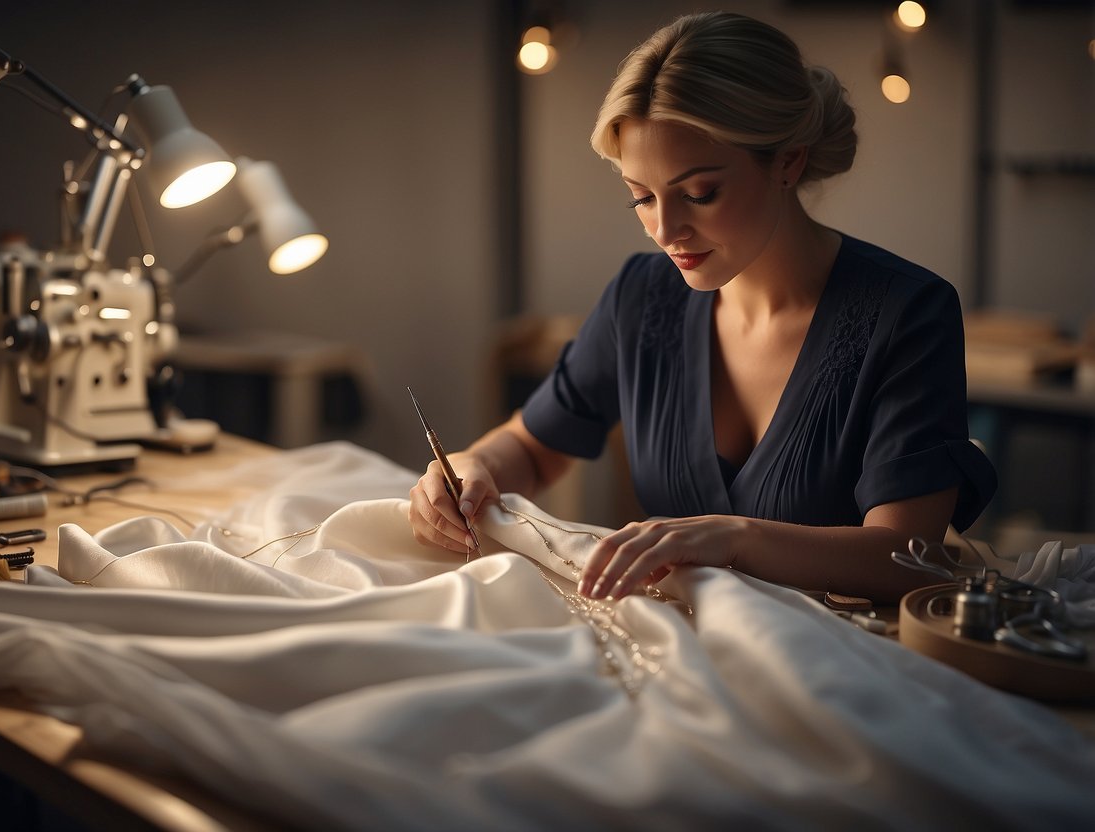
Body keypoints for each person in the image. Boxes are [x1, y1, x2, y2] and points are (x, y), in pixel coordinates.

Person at [408, 11, 996, 605]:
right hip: (670, 654)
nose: (665, 230)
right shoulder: (643, 297)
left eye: (699, 194)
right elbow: (534, 448)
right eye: (641, 197)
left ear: (788, 161)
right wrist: (472, 467)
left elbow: (907, 561)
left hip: (835, 668)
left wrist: (731, 538)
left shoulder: (908, 314)